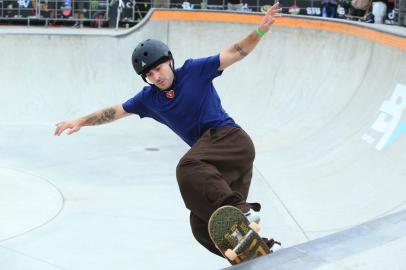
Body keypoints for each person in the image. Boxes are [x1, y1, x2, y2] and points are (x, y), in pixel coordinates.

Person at [54, 3, 282, 259]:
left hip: (231, 141)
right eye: (149, 75)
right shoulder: (149, 99)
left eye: (159, 68)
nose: (156, 77)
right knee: (200, 225)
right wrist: (80, 121)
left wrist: (260, 31)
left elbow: (235, 52)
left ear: (169, 61)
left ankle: (241, 210)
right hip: (219, 168)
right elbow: (115, 111)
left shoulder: (195, 70)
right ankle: (254, 252)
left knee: (188, 167)